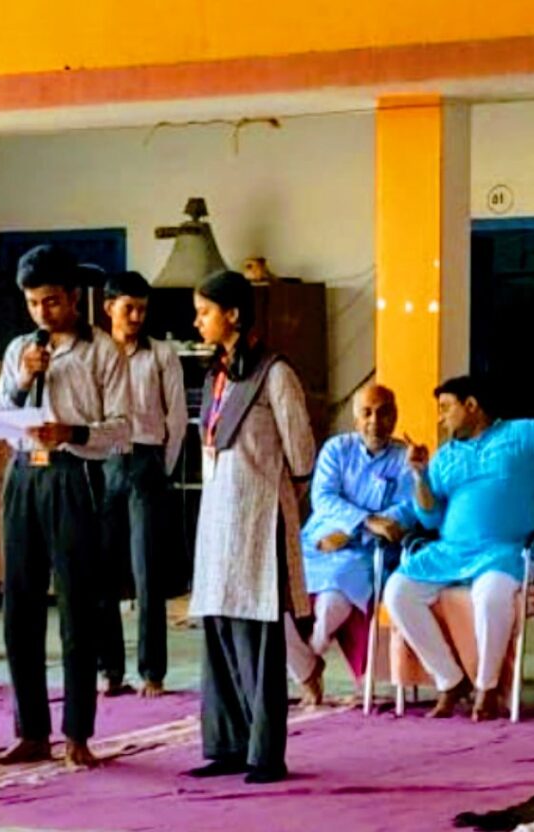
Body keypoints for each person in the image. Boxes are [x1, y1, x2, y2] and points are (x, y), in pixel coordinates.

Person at [0, 245, 130, 768]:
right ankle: (31, 731)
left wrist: (73, 432)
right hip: (24, 476)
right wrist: (24, 381)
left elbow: (124, 428)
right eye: (32, 303)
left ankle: (77, 733)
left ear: (73, 297)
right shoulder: (19, 349)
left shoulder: (103, 352)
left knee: (77, 607)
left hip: (75, 476)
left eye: (51, 301)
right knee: (19, 607)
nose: (42, 313)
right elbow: (0, 416)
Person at [187, 270, 316, 784]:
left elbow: (301, 455)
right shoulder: (218, 375)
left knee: (257, 638)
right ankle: (227, 744)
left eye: (205, 312)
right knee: (218, 628)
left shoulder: (275, 373)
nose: (197, 322)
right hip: (217, 520)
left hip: (258, 520)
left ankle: (265, 754)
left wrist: (274, 499)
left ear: (234, 315)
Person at [383, 376, 534, 721]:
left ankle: (487, 687)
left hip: (506, 551)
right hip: (450, 552)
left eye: (445, 408)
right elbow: (430, 517)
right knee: (397, 591)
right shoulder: (444, 457)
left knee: (491, 594)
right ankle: (449, 680)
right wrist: (420, 475)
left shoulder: (525, 434)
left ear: (471, 405)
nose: (441, 418)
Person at [284, 383, 414, 705]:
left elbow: (404, 512)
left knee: (332, 601)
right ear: (355, 419)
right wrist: (365, 520)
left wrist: (352, 532)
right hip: (318, 543)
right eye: (367, 413)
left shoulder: (404, 459)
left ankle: (313, 652)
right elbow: (323, 498)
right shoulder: (336, 449)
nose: (375, 421)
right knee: (273, 599)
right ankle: (306, 670)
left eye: (383, 413)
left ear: (395, 416)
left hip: (365, 552)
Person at [96, 271, 187, 698]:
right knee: (103, 571)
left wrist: (160, 469)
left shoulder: (162, 355)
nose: (136, 316)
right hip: (102, 463)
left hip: (147, 462)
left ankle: (153, 673)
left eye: (142, 309)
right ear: (108, 308)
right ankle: (110, 671)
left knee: (148, 570)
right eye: (128, 308)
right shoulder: (93, 355)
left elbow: (177, 419)